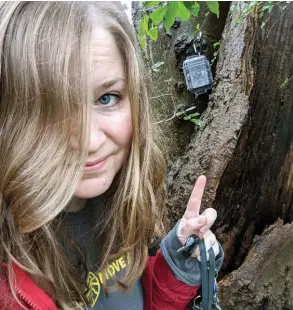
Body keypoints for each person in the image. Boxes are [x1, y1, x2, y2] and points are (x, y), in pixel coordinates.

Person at [0, 2, 224, 309]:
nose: (90, 142)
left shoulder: (120, 202)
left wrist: (177, 263)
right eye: (55, 110)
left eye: (107, 98)